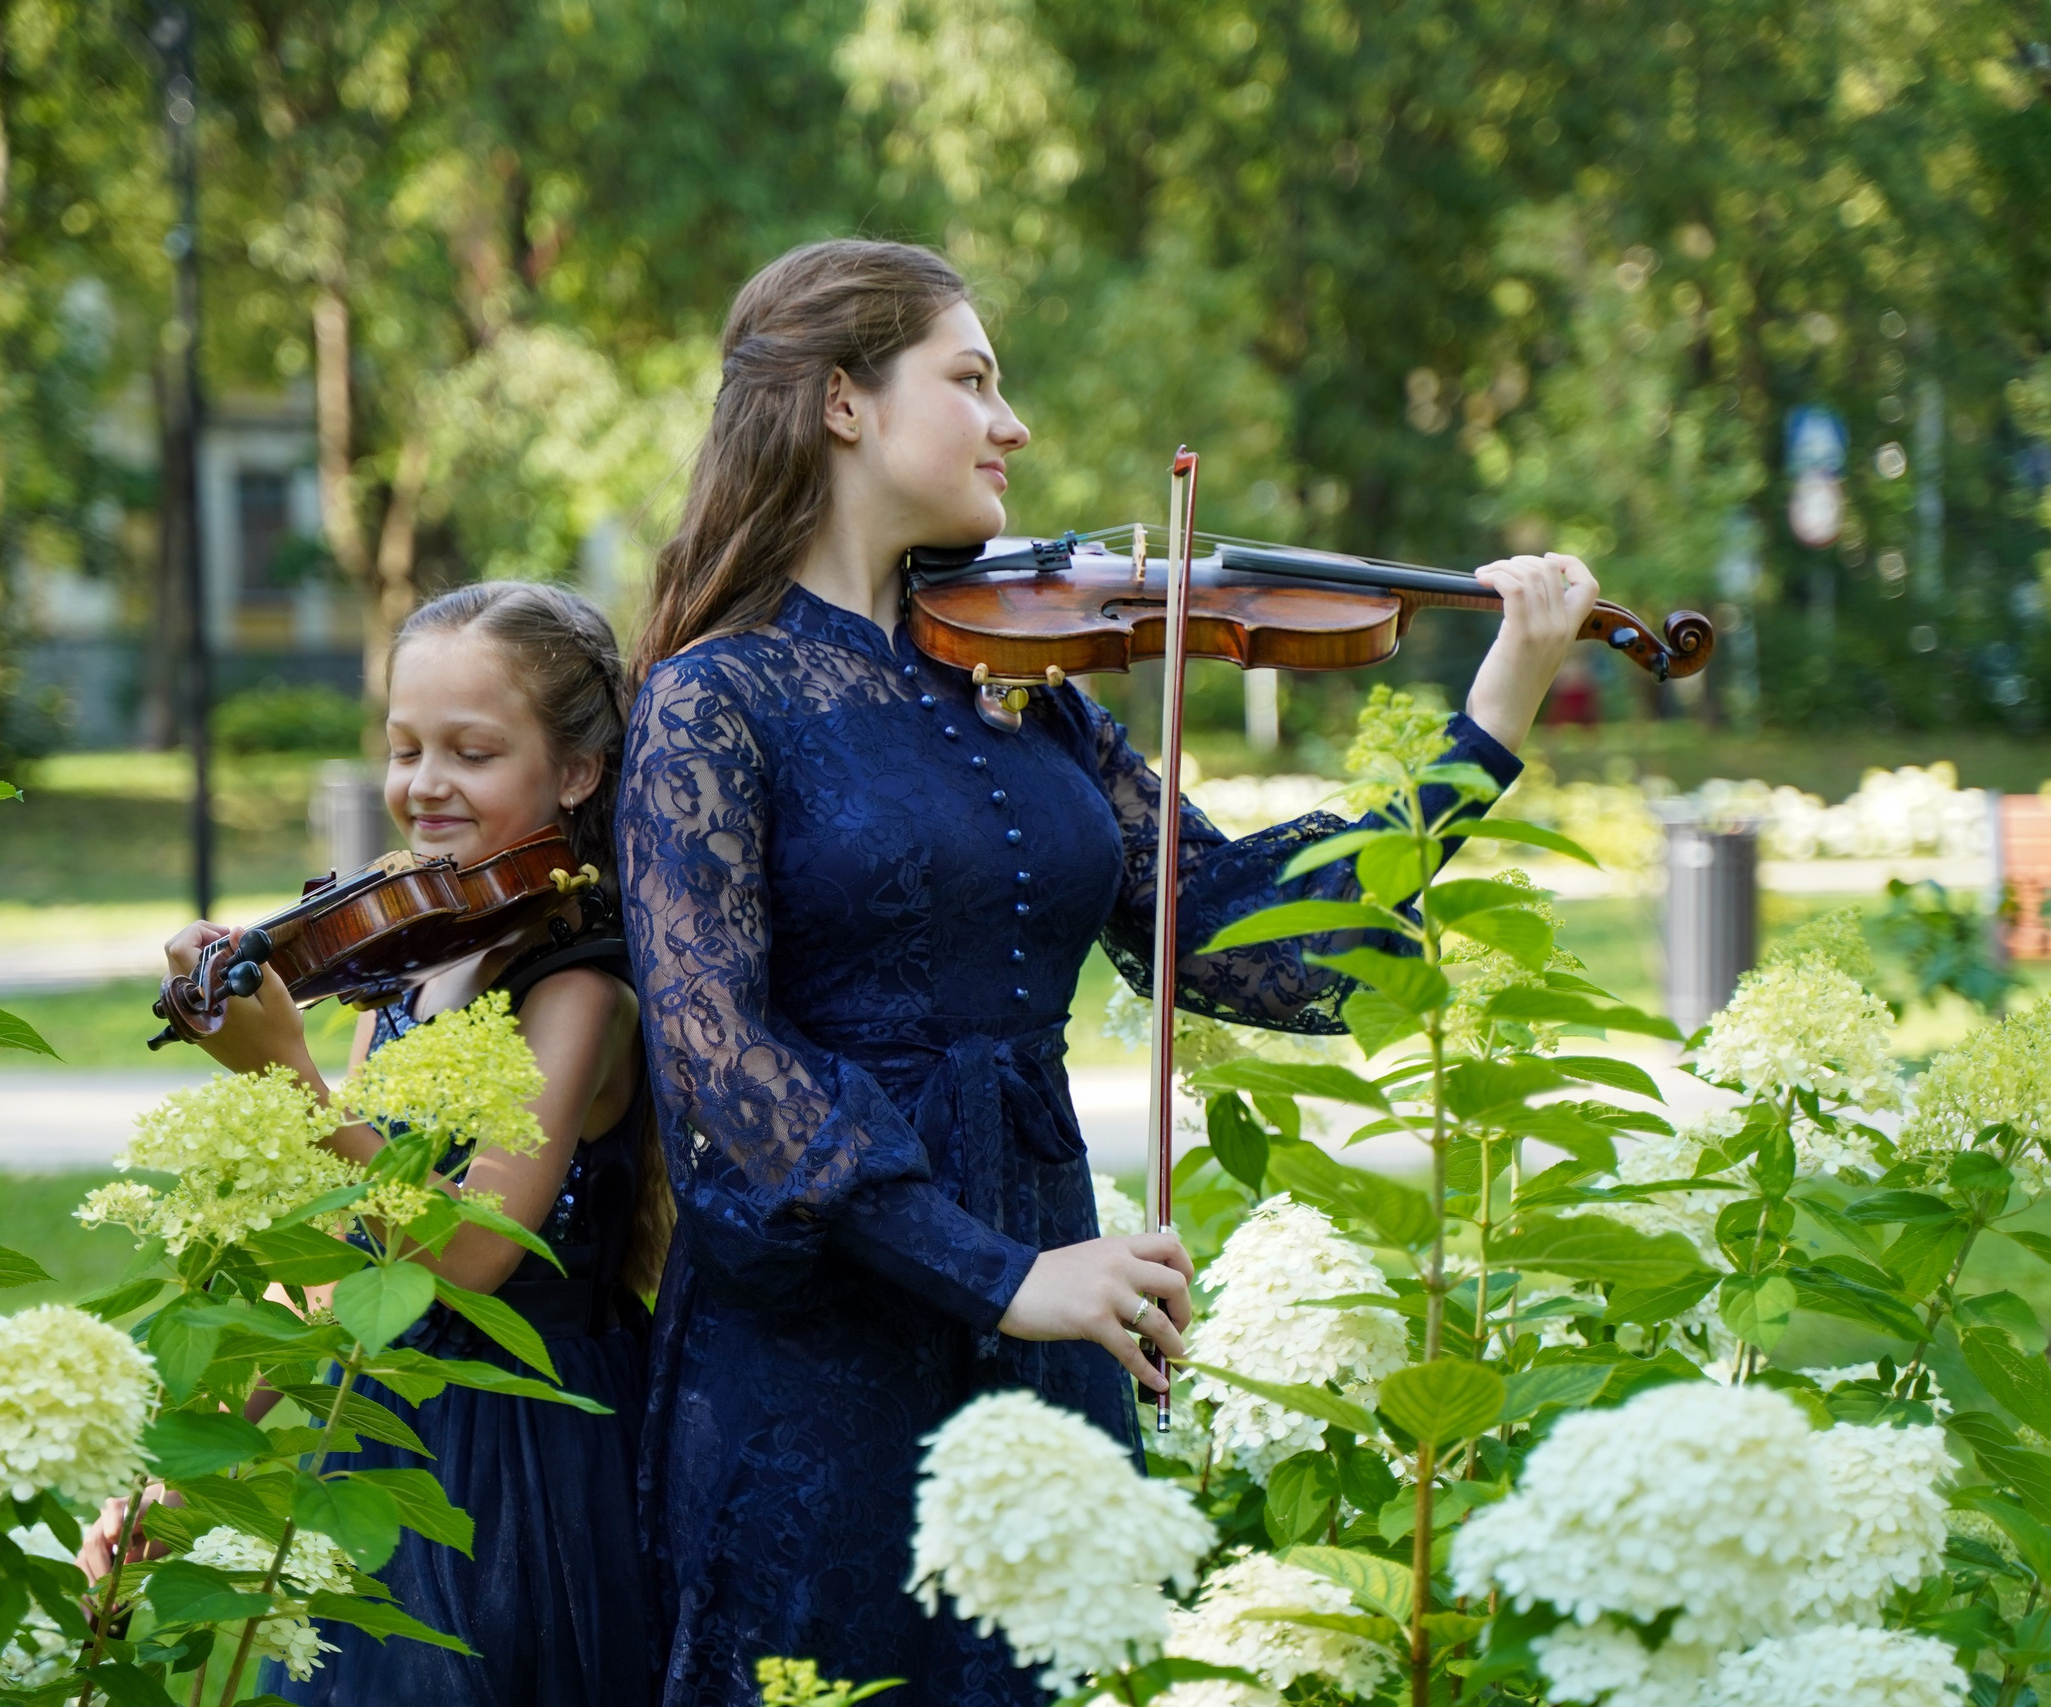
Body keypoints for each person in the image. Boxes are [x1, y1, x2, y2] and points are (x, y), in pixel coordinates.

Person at [616, 239, 1597, 1704]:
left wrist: (1487, 726)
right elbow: (719, 1064)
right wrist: (1001, 1275)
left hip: (1053, 1306)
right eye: (972, 378)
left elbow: (1239, 927)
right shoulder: (716, 698)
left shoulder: (1028, 692)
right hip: (827, 1350)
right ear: (841, 401)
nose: (1012, 424)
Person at [82, 582, 664, 1707]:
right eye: (404, 748)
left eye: (472, 751)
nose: (424, 784)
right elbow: (341, 1261)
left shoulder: (578, 987)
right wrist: (187, 1462)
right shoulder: (398, 957)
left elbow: (470, 1254)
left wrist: (290, 1079)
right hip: (378, 1424)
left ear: (579, 771)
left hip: (527, 1461)